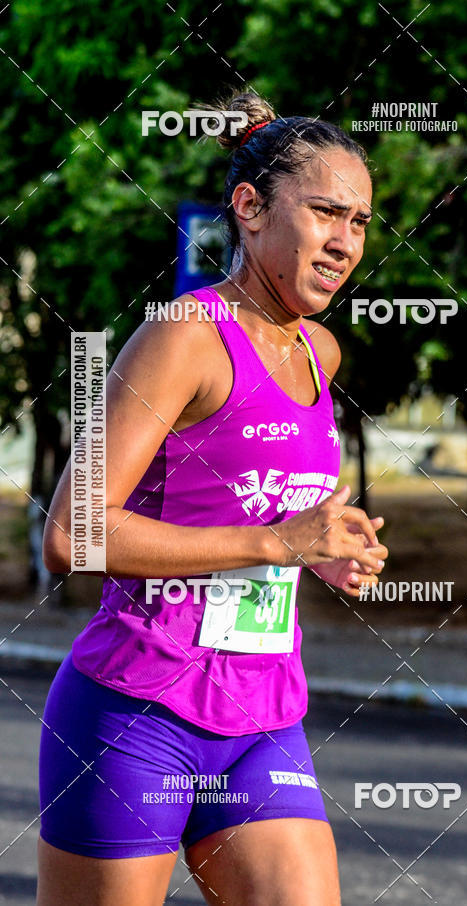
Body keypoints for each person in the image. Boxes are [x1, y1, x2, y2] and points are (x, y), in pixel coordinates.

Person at [38, 91, 388, 906]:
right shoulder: (186, 336)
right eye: (327, 213)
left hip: (264, 717)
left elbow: (267, 506)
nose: (346, 241)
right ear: (249, 208)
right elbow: (73, 533)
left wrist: (329, 549)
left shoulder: (320, 351)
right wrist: (278, 544)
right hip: (136, 714)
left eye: (362, 221)